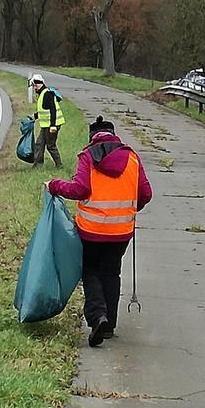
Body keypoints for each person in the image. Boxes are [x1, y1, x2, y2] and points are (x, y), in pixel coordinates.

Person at [48, 116, 153, 347]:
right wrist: (130, 208)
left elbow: (80, 189)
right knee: (112, 273)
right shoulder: (132, 157)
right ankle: (110, 323)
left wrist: (55, 185)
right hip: (121, 231)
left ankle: (98, 317)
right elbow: (145, 193)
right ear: (114, 135)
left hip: (91, 230)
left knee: (91, 271)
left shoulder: (87, 156)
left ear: (92, 137)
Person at [31, 73, 65, 167]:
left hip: (52, 124)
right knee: (39, 144)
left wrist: (53, 125)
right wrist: (35, 116)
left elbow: (53, 110)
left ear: (41, 83)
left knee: (51, 145)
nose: (35, 88)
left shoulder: (47, 94)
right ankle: (38, 165)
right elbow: (44, 110)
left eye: (36, 85)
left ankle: (59, 165)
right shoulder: (42, 94)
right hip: (46, 125)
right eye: (34, 85)